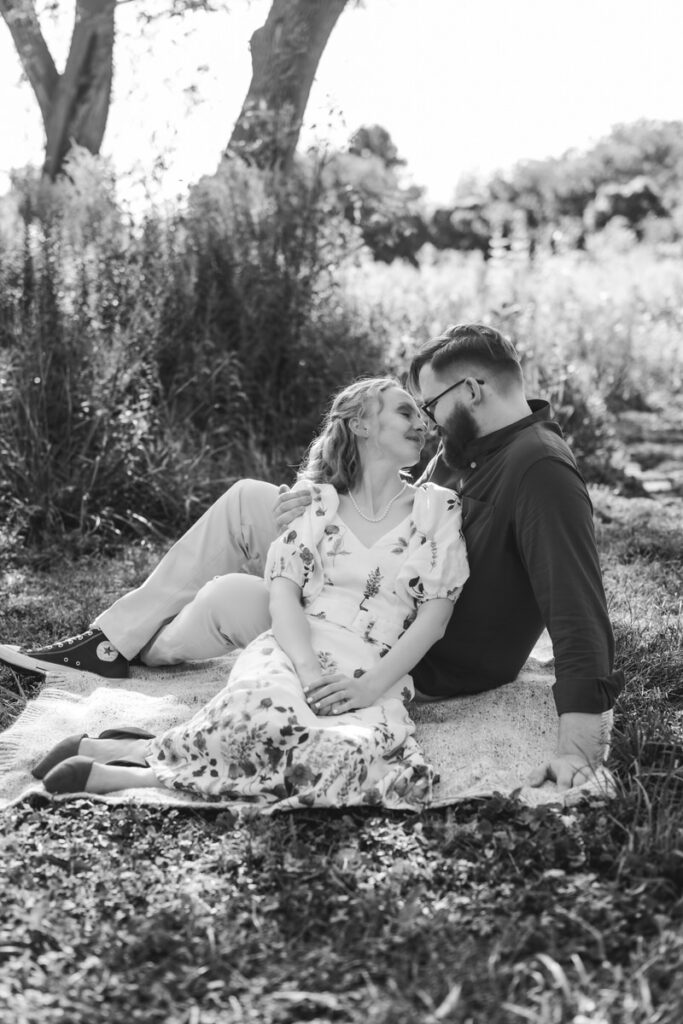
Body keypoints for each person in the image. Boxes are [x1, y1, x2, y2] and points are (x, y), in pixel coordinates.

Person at [1, 323, 624, 790]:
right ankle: (113, 645)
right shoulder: (472, 450)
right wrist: (321, 507)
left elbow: (577, 611)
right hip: (371, 591)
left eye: (432, 406)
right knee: (253, 503)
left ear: (475, 389)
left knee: (222, 597)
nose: (430, 423)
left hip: (414, 642)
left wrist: (580, 749)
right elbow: (388, 498)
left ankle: (130, 655)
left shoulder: (538, 468)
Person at [29, 378, 469, 805]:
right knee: (260, 713)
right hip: (298, 641)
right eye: (406, 411)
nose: (424, 424)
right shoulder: (317, 503)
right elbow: (284, 594)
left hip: (371, 662)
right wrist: (308, 670)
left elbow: (436, 613)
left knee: (345, 755)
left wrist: (371, 687)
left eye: (423, 414)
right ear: (360, 425)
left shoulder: (437, 505)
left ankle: (134, 757)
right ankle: (128, 706)